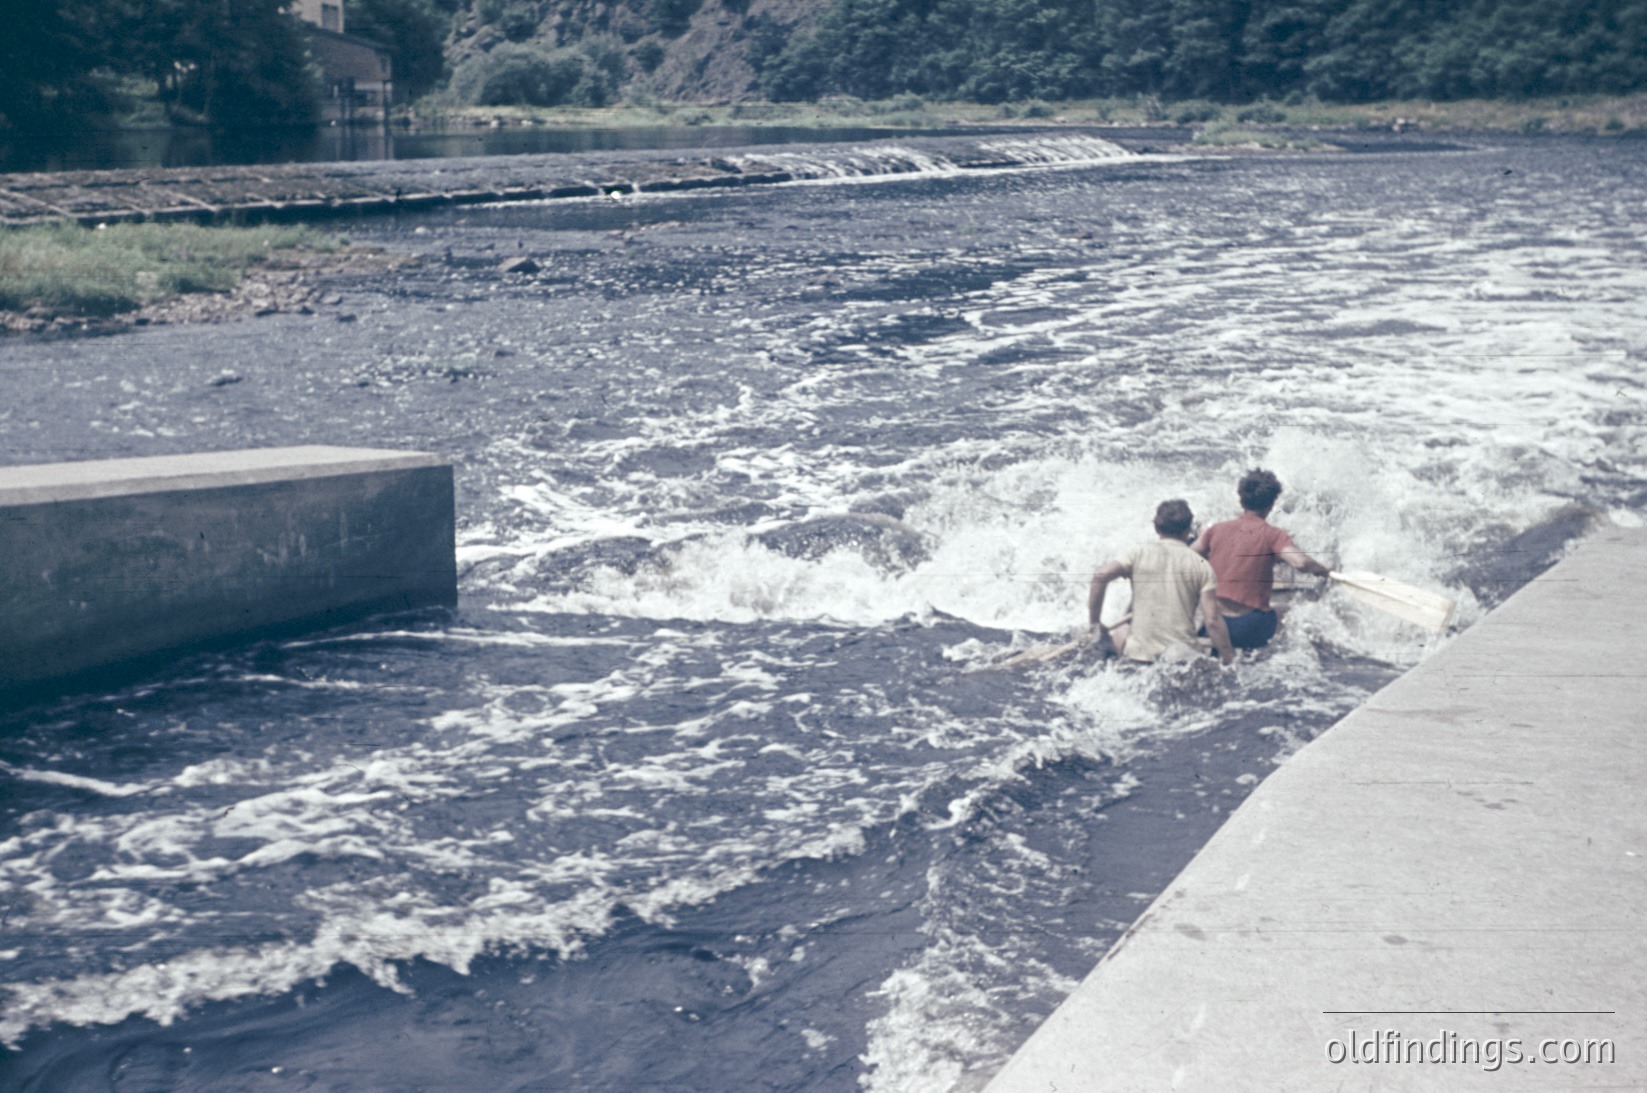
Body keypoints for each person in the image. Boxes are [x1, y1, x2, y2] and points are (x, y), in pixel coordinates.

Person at [1191, 468, 1331, 650]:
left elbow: (1187, 555)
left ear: (1241, 500)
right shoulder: (1273, 535)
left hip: (1216, 624)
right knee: (1287, 611)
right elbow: (1301, 562)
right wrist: (1322, 570)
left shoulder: (1216, 529)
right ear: (1272, 504)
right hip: (1249, 627)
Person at [1089, 499, 1234, 665]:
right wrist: (1229, 658)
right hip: (1180, 661)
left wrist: (1095, 625)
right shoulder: (1201, 566)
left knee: (1121, 632)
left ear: (1156, 528)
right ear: (1188, 531)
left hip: (1138, 657)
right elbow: (1212, 620)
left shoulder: (1136, 554)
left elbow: (1099, 577)